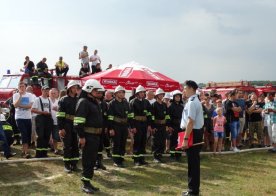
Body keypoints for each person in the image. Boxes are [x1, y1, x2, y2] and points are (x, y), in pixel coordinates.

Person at [74, 79, 103, 194]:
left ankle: (88, 181)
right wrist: (81, 137)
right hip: (87, 136)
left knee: (92, 160)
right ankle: (85, 184)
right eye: (96, 90)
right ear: (89, 90)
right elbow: (78, 122)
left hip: (95, 136)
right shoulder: (84, 102)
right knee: (87, 160)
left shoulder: (94, 102)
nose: (98, 93)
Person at [180, 80, 204, 196]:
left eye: (185, 88)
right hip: (195, 132)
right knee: (193, 162)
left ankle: (193, 191)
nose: (183, 90)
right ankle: (192, 189)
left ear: (191, 89)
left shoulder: (192, 102)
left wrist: (185, 139)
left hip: (193, 133)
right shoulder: (193, 100)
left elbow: (190, 122)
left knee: (193, 163)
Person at [57, 81, 81, 173]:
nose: (76, 89)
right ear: (70, 88)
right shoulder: (63, 100)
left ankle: (74, 164)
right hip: (66, 125)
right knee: (67, 146)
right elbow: (60, 115)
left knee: (75, 145)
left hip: (76, 125)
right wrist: (61, 128)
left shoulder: (79, 100)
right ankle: (67, 165)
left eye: (77, 88)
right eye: (74, 87)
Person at [107, 85, 131, 167]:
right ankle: (116, 161)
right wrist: (111, 128)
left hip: (124, 126)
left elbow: (128, 116)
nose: (122, 94)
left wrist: (128, 127)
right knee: (116, 143)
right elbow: (109, 117)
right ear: (116, 94)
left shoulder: (126, 103)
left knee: (122, 143)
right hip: (115, 126)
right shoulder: (111, 104)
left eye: (123, 92)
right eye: (120, 92)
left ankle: (121, 158)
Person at [129, 85, 152, 166]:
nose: (142, 94)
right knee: (137, 141)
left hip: (144, 124)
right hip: (136, 124)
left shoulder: (146, 102)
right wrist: (133, 127)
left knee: (143, 141)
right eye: (141, 92)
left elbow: (149, 114)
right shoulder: (133, 102)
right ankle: (136, 159)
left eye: (143, 92)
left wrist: (149, 125)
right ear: (137, 93)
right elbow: (131, 116)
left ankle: (142, 159)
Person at [13, 82, 34, 158]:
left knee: (28, 135)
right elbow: (15, 105)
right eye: (20, 86)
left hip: (28, 117)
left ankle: (24, 150)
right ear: (18, 87)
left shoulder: (30, 95)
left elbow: (30, 106)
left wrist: (20, 105)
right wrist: (20, 96)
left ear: (25, 87)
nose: (22, 88)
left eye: (23, 86)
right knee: (24, 134)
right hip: (19, 117)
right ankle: (26, 152)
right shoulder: (16, 95)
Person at [31, 85, 53, 158]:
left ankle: (44, 153)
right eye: (45, 90)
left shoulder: (49, 100)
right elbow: (33, 109)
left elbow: (52, 109)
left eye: (47, 90)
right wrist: (42, 112)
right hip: (40, 118)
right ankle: (38, 153)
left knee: (47, 136)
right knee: (40, 136)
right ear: (42, 90)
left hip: (48, 118)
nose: (46, 92)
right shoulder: (38, 99)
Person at [151, 88, 170, 163]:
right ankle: (156, 156)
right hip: (156, 126)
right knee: (156, 141)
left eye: (162, 94)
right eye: (160, 94)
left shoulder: (164, 105)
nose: (161, 96)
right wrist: (153, 126)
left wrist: (167, 125)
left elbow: (167, 116)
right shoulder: (153, 105)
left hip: (163, 126)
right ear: (157, 96)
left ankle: (160, 155)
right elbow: (152, 117)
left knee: (162, 141)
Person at [167, 90, 184, 161]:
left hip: (181, 126)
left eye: (179, 96)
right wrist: (169, 126)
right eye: (176, 96)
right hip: (173, 126)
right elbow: (168, 117)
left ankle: (178, 155)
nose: (178, 98)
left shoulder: (181, 106)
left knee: (180, 141)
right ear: (173, 97)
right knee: (173, 140)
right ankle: (172, 155)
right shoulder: (171, 106)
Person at [49, 88, 60, 155]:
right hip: (47, 121)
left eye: (54, 93)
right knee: (46, 136)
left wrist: (58, 109)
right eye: (51, 93)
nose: (53, 94)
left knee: (55, 136)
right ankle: (48, 147)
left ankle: (55, 149)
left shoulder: (59, 101)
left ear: (57, 94)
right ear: (49, 94)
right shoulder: (47, 100)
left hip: (56, 121)